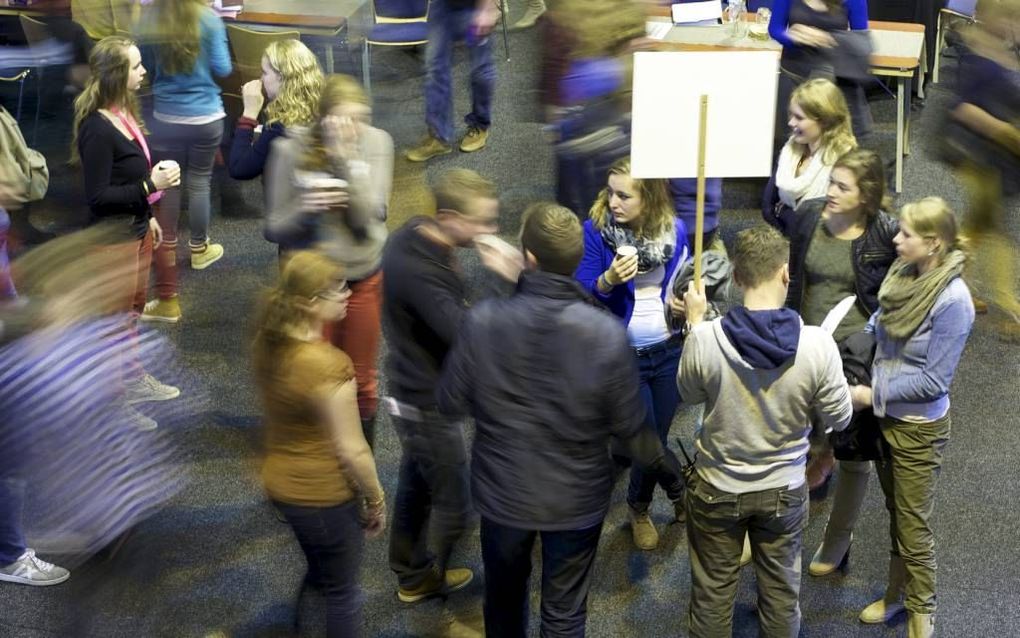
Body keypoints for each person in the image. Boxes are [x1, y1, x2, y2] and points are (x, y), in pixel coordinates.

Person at [437, 202, 686, 637]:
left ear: (527, 257)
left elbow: (450, 402)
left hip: (503, 495)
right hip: (577, 499)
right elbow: (631, 428)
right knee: (565, 613)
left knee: (504, 601)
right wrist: (672, 478)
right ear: (577, 261)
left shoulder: (484, 320)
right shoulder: (605, 334)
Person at [678, 224, 853, 638]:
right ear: (786, 274)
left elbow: (687, 393)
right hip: (784, 489)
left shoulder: (705, 339)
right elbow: (841, 418)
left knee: (712, 597)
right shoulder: (816, 345)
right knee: (780, 596)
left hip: (716, 487)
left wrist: (694, 324)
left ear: (736, 278)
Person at [383, 169, 519, 604]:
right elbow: (469, 331)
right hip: (424, 402)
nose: (491, 231)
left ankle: (409, 571)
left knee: (417, 482)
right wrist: (506, 281)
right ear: (447, 216)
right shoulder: (420, 271)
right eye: (481, 222)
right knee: (458, 504)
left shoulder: (414, 235)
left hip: (416, 390)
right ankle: (428, 578)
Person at [852, 198, 975, 638]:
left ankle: (922, 613)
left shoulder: (954, 301)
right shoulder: (902, 273)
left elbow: (933, 381)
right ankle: (896, 595)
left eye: (905, 234)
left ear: (934, 243)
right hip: (883, 418)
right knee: (895, 512)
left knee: (913, 524)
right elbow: (878, 327)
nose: (895, 239)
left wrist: (870, 392)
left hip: (918, 429)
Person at [253, 250, 386, 638]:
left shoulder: (267, 340)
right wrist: (376, 498)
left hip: (281, 485)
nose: (347, 294)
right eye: (338, 289)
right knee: (342, 591)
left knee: (319, 573)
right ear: (310, 303)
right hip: (322, 496)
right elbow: (353, 449)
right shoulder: (330, 366)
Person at [783, 149, 899, 574]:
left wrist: (875, 348)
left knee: (852, 453)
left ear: (866, 197)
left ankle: (837, 542)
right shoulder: (810, 215)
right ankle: (774, 536)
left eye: (841, 187)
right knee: (792, 442)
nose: (829, 191)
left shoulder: (886, 232)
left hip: (853, 359)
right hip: (806, 346)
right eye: (831, 182)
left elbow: (895, 298)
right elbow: (795, 279)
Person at [266, 74, 394, 447]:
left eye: (360, 118)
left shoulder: (376, 143)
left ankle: (361, 457)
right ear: (322, 118)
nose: (352, 127)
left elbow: (370, 217)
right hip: (312, 289)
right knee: (309, 378)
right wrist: (305, 209)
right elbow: (274, 228)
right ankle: (312, 458)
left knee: (361, 378)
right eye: (342, 118)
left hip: (361, 277)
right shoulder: (289, 150)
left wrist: (344, 161)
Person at [574, 157, 690, 551]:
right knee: (644, 438)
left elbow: (682, 281)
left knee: (656, 435)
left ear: (650, 198)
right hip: (622, 356)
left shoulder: (675, 231)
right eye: (610, 192)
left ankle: (646, 502)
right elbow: (580, 290)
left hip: (668, 349)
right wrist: (607, 281)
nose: (613, 202)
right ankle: (663, 497)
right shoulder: (596, 231)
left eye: (624, 195)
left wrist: (681, 304)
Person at [72, 35, 182, 416]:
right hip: (111, 241)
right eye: (136, 66)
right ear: (117, 75)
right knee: (113, 325)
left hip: (135, 230)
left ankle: (132, 381)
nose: (144, 71)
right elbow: (98, 197)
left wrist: (148, 213)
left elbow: (127, 178)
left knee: (132, 312)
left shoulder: (124, 112)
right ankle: (114, 405)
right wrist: (152, 185)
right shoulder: (97, 129)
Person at [138, 0, 232, 324]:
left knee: (170, 183)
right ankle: (200, 249)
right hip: (206, 115)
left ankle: (167, 250)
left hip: (166, 116)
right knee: (200, 179)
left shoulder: (149, 18)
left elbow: (145, 67)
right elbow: (223, 68)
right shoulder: (208, 19)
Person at [944, 0, 1020, 339]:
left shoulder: (1005, 47)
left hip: (998, 157)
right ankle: (1010, 307)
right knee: (993, 230)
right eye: (1009, 18)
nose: (1013, 25)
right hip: (978, 156)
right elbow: (962, 109)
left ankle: (946, 281)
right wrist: (1006, 132)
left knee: (978, 229)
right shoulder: (973, 52)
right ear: (989, 16)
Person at [229, 39, 323, 250]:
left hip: (295, 227)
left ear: (281, 77)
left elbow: (239, 168)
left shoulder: (281, 126)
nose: (261, 79)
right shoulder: (323, 105)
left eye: (264, 72)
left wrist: (249, 114)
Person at [404, 0, 500, 162]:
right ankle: (439, 136)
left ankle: (480, 124)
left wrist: (487, 8)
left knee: (480, 69)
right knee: (435, 67)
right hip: (442, 6)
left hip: (475, 8)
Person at [768, 0, 873, 144]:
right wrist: (791, 38)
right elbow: (775, 29)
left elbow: (862, 43)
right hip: (793, 74)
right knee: (788, 140)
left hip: (829, 83)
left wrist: (825, 38)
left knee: (828, 142)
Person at [764, 78, 858, 236]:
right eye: (791, 115)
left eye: (799, 118)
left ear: (825, 121)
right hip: (784, 237)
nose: (790, 123)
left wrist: (786, 216)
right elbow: (768, 207)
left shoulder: (846, 161)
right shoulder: (791, 151)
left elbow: (834, 221)